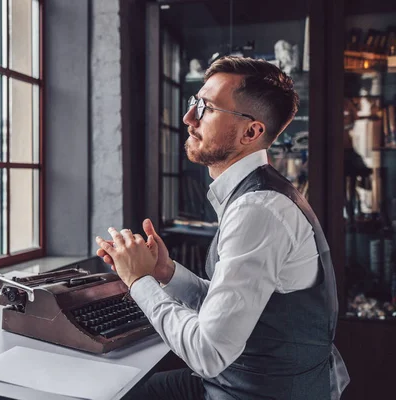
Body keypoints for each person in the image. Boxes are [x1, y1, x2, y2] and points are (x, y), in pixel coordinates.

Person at [95, 56, 349, 400]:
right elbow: (229, 310)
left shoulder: (258, 211)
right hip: (237, 383)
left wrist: (139, 281)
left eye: (207, 108)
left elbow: (208, 353)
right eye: (194, 103)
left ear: (251, 132)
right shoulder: (259, 196)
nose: (188, 118)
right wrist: (166, 272)